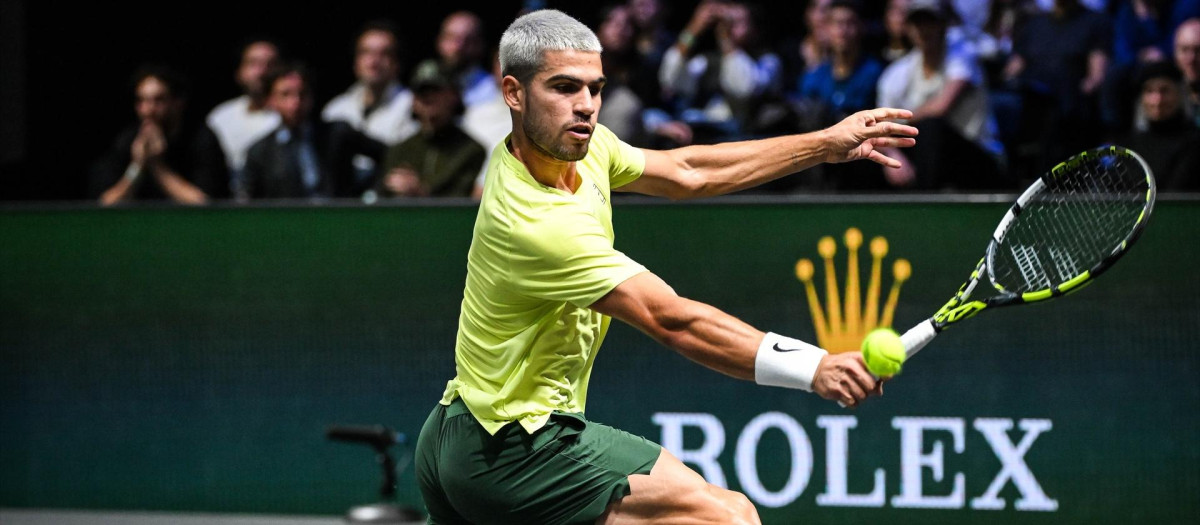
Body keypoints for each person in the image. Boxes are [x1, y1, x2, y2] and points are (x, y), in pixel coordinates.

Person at [414, 9, 918, 524]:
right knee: (727, 517)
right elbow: (672, 319)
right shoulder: (536, 224)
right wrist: (814, 367)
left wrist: (824, 144)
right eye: (564, 88)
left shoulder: (579, 150)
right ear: (514, 93)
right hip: (516, 451)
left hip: (456, 427)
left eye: (595, 87)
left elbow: (686, 170)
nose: (586, 106)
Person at [877, 0, 1007, 190]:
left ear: (943, 25)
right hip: (927, 163)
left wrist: (895, 123)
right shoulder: (896, 74)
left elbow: (940, 107)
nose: (923, 29)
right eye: (917, 23)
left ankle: (924, 207)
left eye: (930, 22)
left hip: (980, 158)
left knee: (931, 128)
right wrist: (891, 154)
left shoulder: (963, 55)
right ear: (908, 28)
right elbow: (878, 128)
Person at [90, 65, 228, 206]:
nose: (148, 110)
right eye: (141, 101)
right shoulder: (127, 140)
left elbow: (204, 205)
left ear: (178, 102)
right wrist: (138, 166)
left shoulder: (202, 139)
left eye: (158, 100)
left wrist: (157, 165)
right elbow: (106, 204)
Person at [242, 62, 365, 199]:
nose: (296, 102)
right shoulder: (259, 152)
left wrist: (369, 196)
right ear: (271, 100)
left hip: (338, 217)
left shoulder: (337, 133)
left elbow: (383, 155)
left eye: (302, 93)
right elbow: (250, 203)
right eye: (285, 94)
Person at [322, 21, 419, 190]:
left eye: (384, 54)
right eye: (366, 53)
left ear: (397, 63)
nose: (374, 61)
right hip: (341, 201)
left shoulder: (413, 106)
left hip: (387, 200)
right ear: (355, 62)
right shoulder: (336, 109)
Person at [373, 62, 486, 199]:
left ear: (454, 96)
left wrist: (420, 191)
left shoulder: (471, 151)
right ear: (413, 100)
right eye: (421, 91)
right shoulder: (399, 150)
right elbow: (379, 197)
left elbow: (462, 200)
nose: (427, 98)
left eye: (436, 90)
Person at [206, 39, 282, 194]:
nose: (262, 71)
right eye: (253, 63)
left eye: (270, 64)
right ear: (239, 72)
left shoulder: (291, 117)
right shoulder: (219, 117)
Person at [1121, 61, 1200, 190]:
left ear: (1180, 94)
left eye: (1165, 90)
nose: (1157, 100)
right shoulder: (1129, 146)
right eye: (1149, 91)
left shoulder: (1194, 143)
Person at [415, 11, 499, 110]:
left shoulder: (493, 90)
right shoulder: (423, 78)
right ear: (439, 41)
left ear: (481, 45)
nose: (458, 47)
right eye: (451, 38)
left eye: (468, 40)